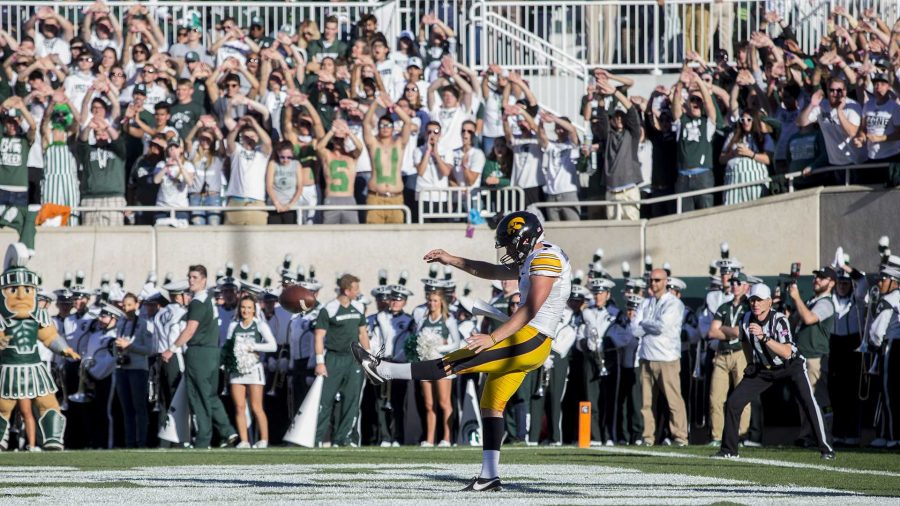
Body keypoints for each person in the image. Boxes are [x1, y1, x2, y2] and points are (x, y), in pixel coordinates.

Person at [353, 211, 571, 491]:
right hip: (527, 338)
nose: (509, 251)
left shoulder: (545, 259)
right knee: (491, 405)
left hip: (531, 339)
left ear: (525, 239)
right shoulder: (535, 256)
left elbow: (529, 310)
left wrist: (492, 338)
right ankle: (489, 476)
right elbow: (492, 271)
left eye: (511, 243)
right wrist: (452, 259)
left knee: (452, 363)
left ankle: (384, 370)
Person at [715, 284, 835, 460]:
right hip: (764, 369)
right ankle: (729, 450)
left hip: (790, 367)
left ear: (769, 302)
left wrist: (764, 337)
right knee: (734, 401)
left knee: (809, 403)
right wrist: (750, 363)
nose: (755, 304)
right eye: (752, 300)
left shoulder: (779, 320)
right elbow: (745, 341)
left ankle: (826, 449)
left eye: (759, 300)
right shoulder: (746, 318)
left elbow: (787, 352)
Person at [160, 265, 237, 449]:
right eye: (189, 277)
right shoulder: (209, 299)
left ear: (204, 279)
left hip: (200, 352)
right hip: (212, 352)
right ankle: (227, 430)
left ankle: (203, 439)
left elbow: (190, 329)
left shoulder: (198, 301)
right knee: (210, 395)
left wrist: (172, 348)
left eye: (195, 277)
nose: (191, 280)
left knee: (198, 396)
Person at [632, 268, 689, 446]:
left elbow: (662, 327)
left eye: (657, 280)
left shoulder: (674, 303)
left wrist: (644, 323)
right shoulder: (645, 303)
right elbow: (634, 329)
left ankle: (680, 436)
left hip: (667, 357)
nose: (653, 284)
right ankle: (647, 437)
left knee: (673, 400)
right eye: (651, 280)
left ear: (665, 281)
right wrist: (647, 325)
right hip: (646, 357)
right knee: (646, 402)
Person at [315, 274, 369, 447]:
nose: (358, 292)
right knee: (325, 400)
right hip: (333, 359)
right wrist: (320, 362)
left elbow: (363, 333)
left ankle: (343, 438)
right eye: (356, 289)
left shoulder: (359, 307)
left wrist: (368, 357)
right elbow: (319, 336)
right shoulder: (328, 309)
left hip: (354, 359)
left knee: (351, 399)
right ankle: (316, 438)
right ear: (347, 290)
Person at [788, 266, 836, 446]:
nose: (816, 280)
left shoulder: (826, 303)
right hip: (802, 356)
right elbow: (797, 321)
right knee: (804, 398)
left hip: (815, 357)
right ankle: (807, 434)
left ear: (831, 283)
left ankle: (824, 434)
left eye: (822, 278)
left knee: (819, 398)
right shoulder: (811, 300)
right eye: (816, 277)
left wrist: (797, 298)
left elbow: (809, 319)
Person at [222, 294, 277, 448]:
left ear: (254, 310)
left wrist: (253, 346)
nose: (245, 311)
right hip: (237, 370)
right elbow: (227, 347)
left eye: (249, 308)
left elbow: (273, 346)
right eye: (243, 307)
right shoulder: (233, 326)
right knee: (239, 407)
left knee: (256, 407)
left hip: (254, 369)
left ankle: (264, 440)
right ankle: (244, 441)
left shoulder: (260, 325)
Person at [706, 272, 751, 446]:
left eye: (739, 282)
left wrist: (724, 330)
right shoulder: (724, 307)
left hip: (741, 353)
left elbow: (742, 332)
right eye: (732, 282)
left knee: (742, 396)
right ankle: (717, 436)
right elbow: (712, 332)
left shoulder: (749, 306)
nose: (734, 285)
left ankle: (741, 435)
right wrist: (731, 330)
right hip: (722, 354)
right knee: (716, 397)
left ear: (746, 286)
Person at [411, 289, 460, 447]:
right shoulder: (422, 320)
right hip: (426, 364)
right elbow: (416, 341)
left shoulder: (448, 319)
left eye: (435, 301)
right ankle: (430, 439)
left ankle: (446, 438)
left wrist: (439, 348)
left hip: (442, 364)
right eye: (430, 300)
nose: (432, 303)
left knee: (444, 403)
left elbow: (456, 343)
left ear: (441, 303)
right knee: (429, 404)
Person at [672, 69, 717, 212]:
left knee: (706, 216)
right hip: (683, 177)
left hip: (703, 176)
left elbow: (710, 105)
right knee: (684, 219)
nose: (696, 102)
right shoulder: (682, 121)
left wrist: (699, 82)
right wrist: (680, 83)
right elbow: (675, 106)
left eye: (699, 100)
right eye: (693, 100)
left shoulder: (707, 123)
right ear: (688, 103)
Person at [363, 96, 413, 224]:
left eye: (389, 125)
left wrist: (394, 107)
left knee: (397, 239)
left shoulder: (399, 144)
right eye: (382, 125)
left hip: (396, 198)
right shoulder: (373, 144)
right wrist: (375, 103)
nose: (385, 127)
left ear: (393, 128)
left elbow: (407, 122)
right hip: (375, 197)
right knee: (373, 237)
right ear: (378, 127)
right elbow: (365, 123)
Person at [113, 293, 153, 448]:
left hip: (138, 369)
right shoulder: (121, 323)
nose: (126, 308)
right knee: (126, 408)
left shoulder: (144, 323)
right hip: (122, 368)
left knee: (139, 407)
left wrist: (129, 346)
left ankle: (142, 441)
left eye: (129, 305)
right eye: (124, 305)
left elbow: (149, 350)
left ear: (137, 305)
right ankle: (129, 442)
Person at [868, 265, 900, 447]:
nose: (880, 283)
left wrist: (874, 346)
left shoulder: (888, 299)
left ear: (893, 282)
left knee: (887, 393)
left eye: (884, 279)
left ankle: (892, 435)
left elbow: (876, 332)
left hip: (891, 346)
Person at [224, 116, 272, 225]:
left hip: (257, 201)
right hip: (236, 201)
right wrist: (238, 126)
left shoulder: (262, 152)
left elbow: (268, 142)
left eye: (253, 136)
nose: (250, 139)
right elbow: (229, 141)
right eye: (246, 137)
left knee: (258, 238)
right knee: (228, 238)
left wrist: (254, 123)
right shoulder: (237, 149)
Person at [316, 119, 364, 225]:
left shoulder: (351, 157)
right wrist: (332, 131)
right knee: (329, 233)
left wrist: (349, 132)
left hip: (348, 199)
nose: (339, 142)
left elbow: (360, 147)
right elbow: (319, 147)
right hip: (331, 198)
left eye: (341, 139)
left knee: (352, 231)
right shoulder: (328, 155)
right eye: (336, 139)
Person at [265, 141, 304, 225]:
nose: (285, 160)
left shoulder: (296, 164)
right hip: (274, 206)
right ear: (278, 153)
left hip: (290, 206)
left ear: (292, 155)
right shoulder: (273, 163)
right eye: (282, 157)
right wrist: (277, 203)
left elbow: (300, 187)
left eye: (289, 157)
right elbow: (269, 186)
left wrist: (290, 205)